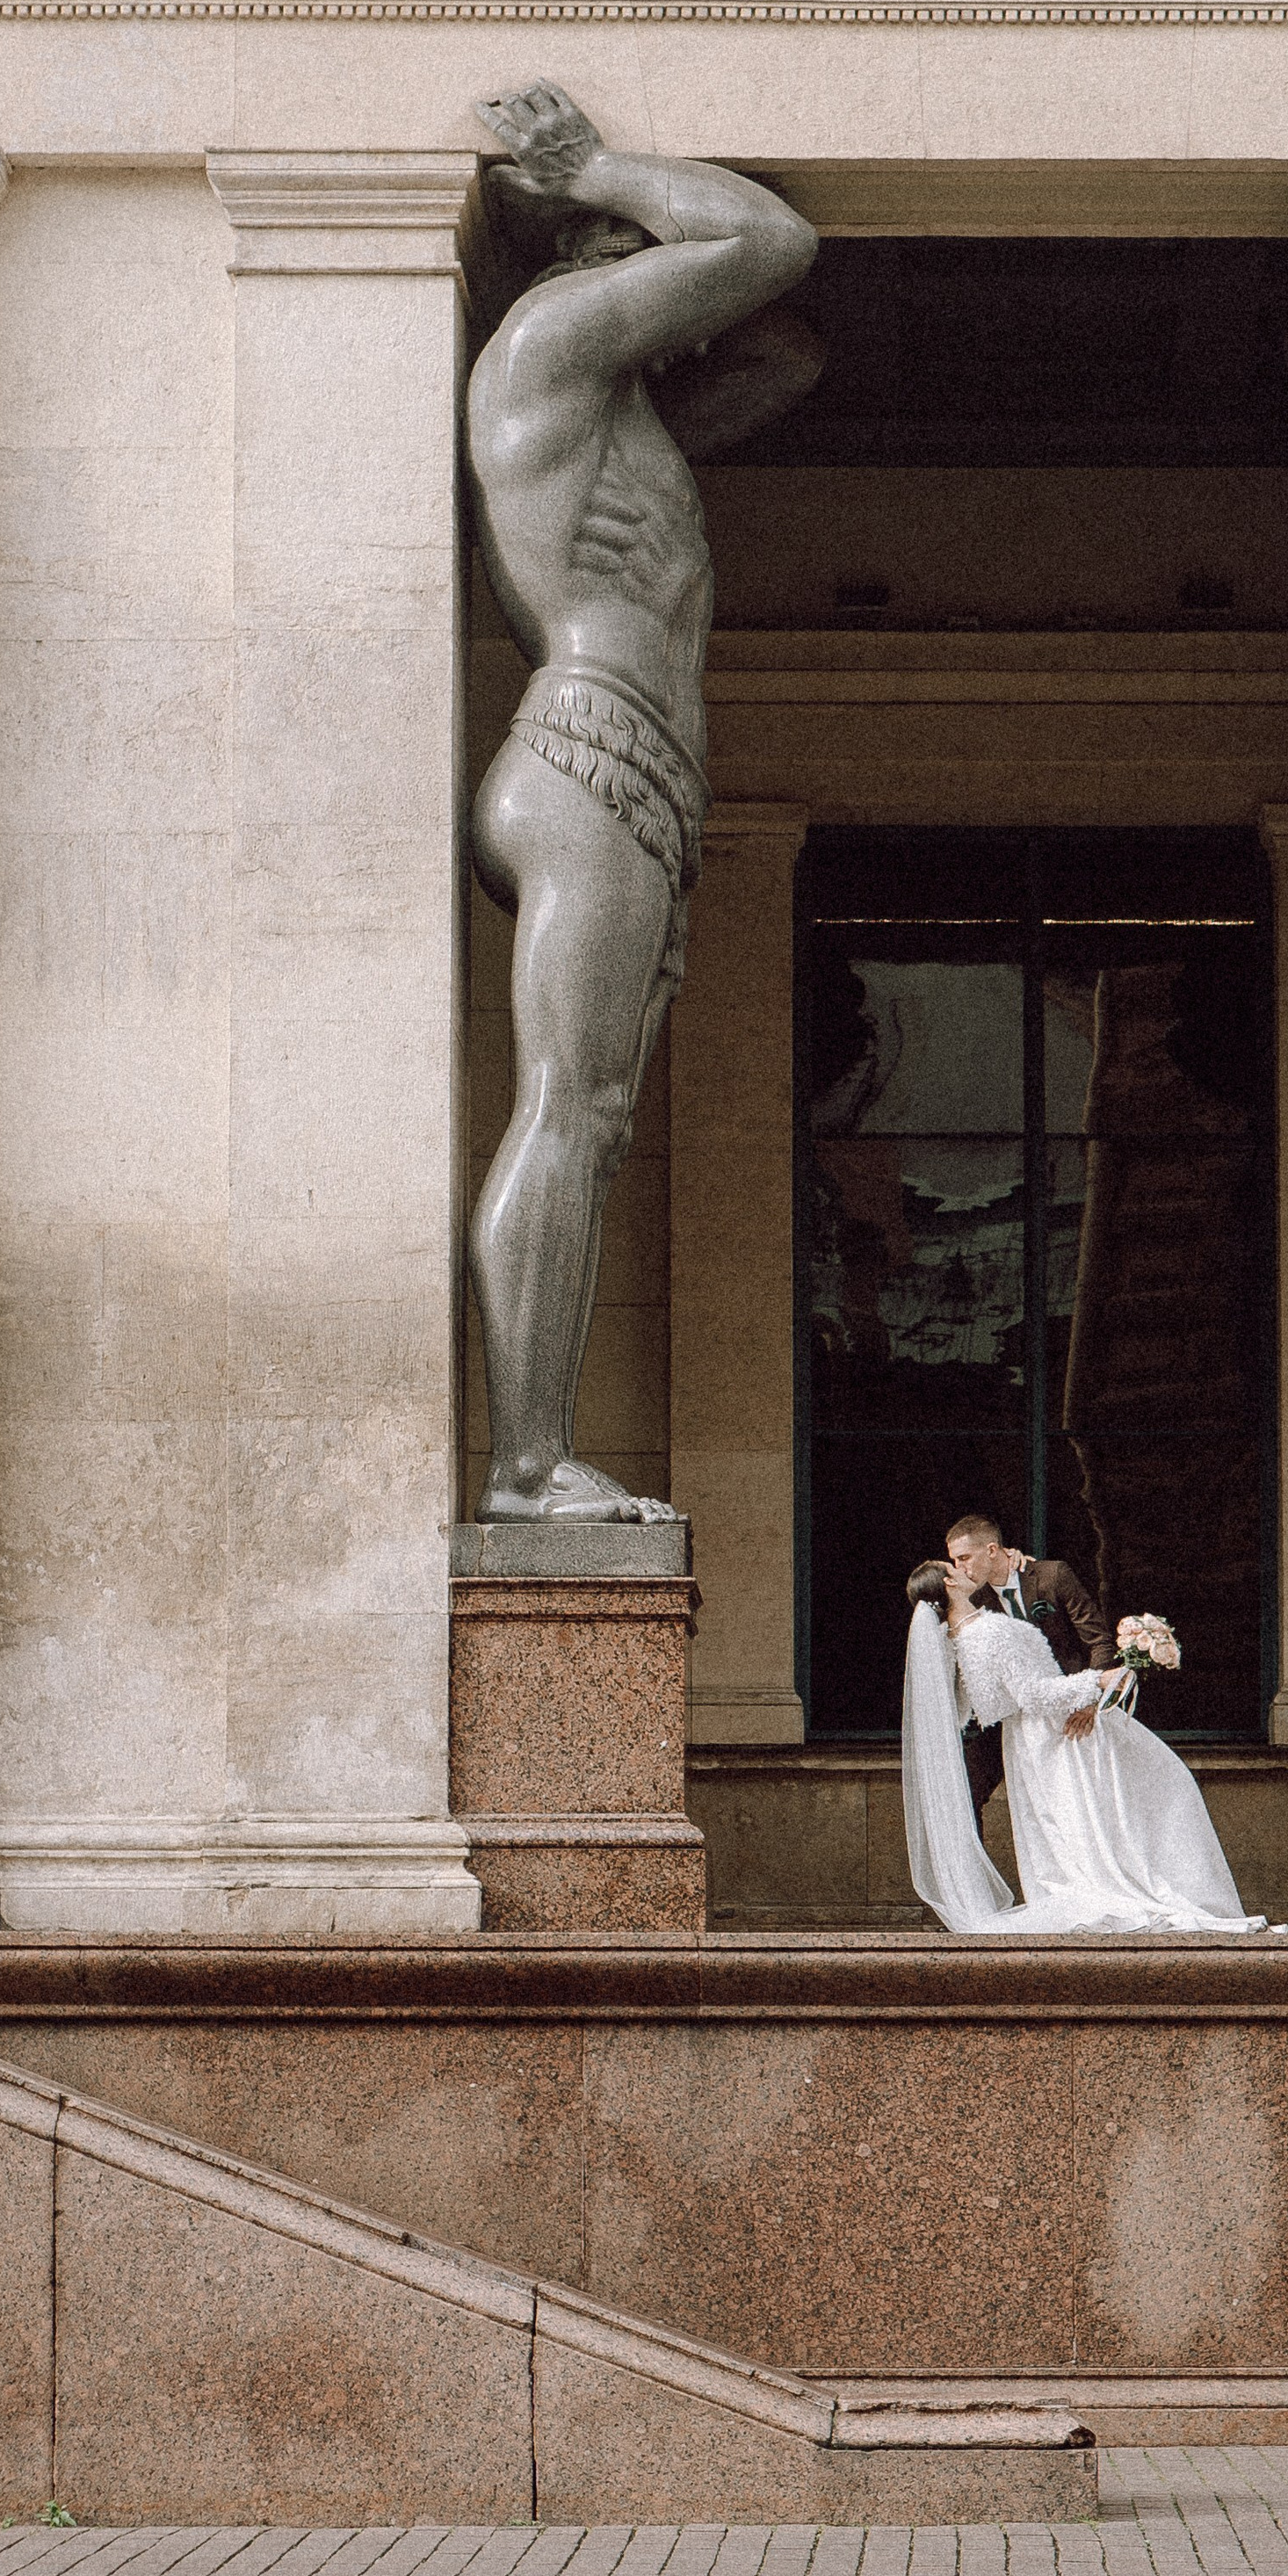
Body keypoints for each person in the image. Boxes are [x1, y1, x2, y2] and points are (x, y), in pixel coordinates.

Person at [466, 81, 820, 1520]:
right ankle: (526, 1467)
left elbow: (782, 350)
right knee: (571, 1108)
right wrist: (603, 168)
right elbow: (769, 243)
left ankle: (534, 1456)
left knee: (594, 1117)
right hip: (587, 752)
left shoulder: (620, 412)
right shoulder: (544, 344)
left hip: (637, 775)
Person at [898, 1559, 1275, 1936]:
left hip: (1029, 1741)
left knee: (1085, 1818)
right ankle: (1142, 1887)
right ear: (950, 1583)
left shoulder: (959, 1639)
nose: (964, 1569)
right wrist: (1099, 1681)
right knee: (1149, 1792)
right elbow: (1034, 1693)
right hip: (1060, 1731)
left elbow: (988, 1705)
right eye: (955, 1567)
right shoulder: (989, 1630)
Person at [941, 1510, 1112, 1823]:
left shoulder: (1052, 1576)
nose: (959, 1568)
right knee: (964, 1791)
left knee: (1076, 1808)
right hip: (1011, 1715)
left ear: (992, 1550)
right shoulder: (972, 1599)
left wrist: (1090, 1700)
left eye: (964, 1558)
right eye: (955, 1561)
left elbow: (1099, 1640)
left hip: (1072, 1708)